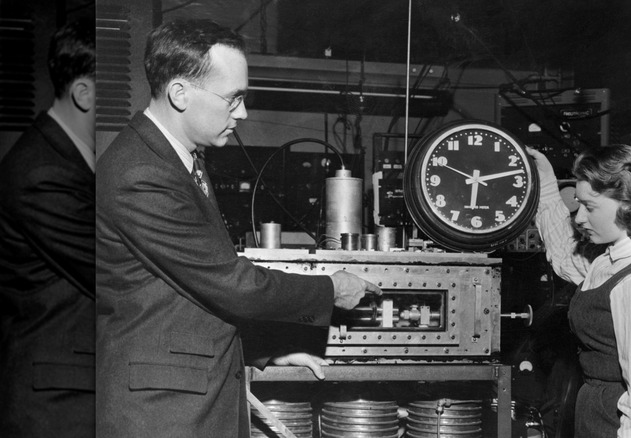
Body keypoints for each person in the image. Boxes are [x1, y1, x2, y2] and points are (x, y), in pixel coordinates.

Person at [95, 18, 382, 437]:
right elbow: (231, 284)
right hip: (161, 415)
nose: (243, 113)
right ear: (179, 93)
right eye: (233, 99)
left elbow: (185, 297)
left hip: (182, 401)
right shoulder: (141, 172)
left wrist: (265, 351)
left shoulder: (180, 159)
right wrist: (330, 289)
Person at [527, 144, 631, 437]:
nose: (580, 218)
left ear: (627, 203)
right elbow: (565, 256)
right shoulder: (607, 261)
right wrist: (546, 185)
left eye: (590, 207)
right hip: (598, 417)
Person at [0, 18, 96, 437]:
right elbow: (115, 275)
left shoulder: (68, 162)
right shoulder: (42, 172)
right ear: (84, 92)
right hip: (56, 410)